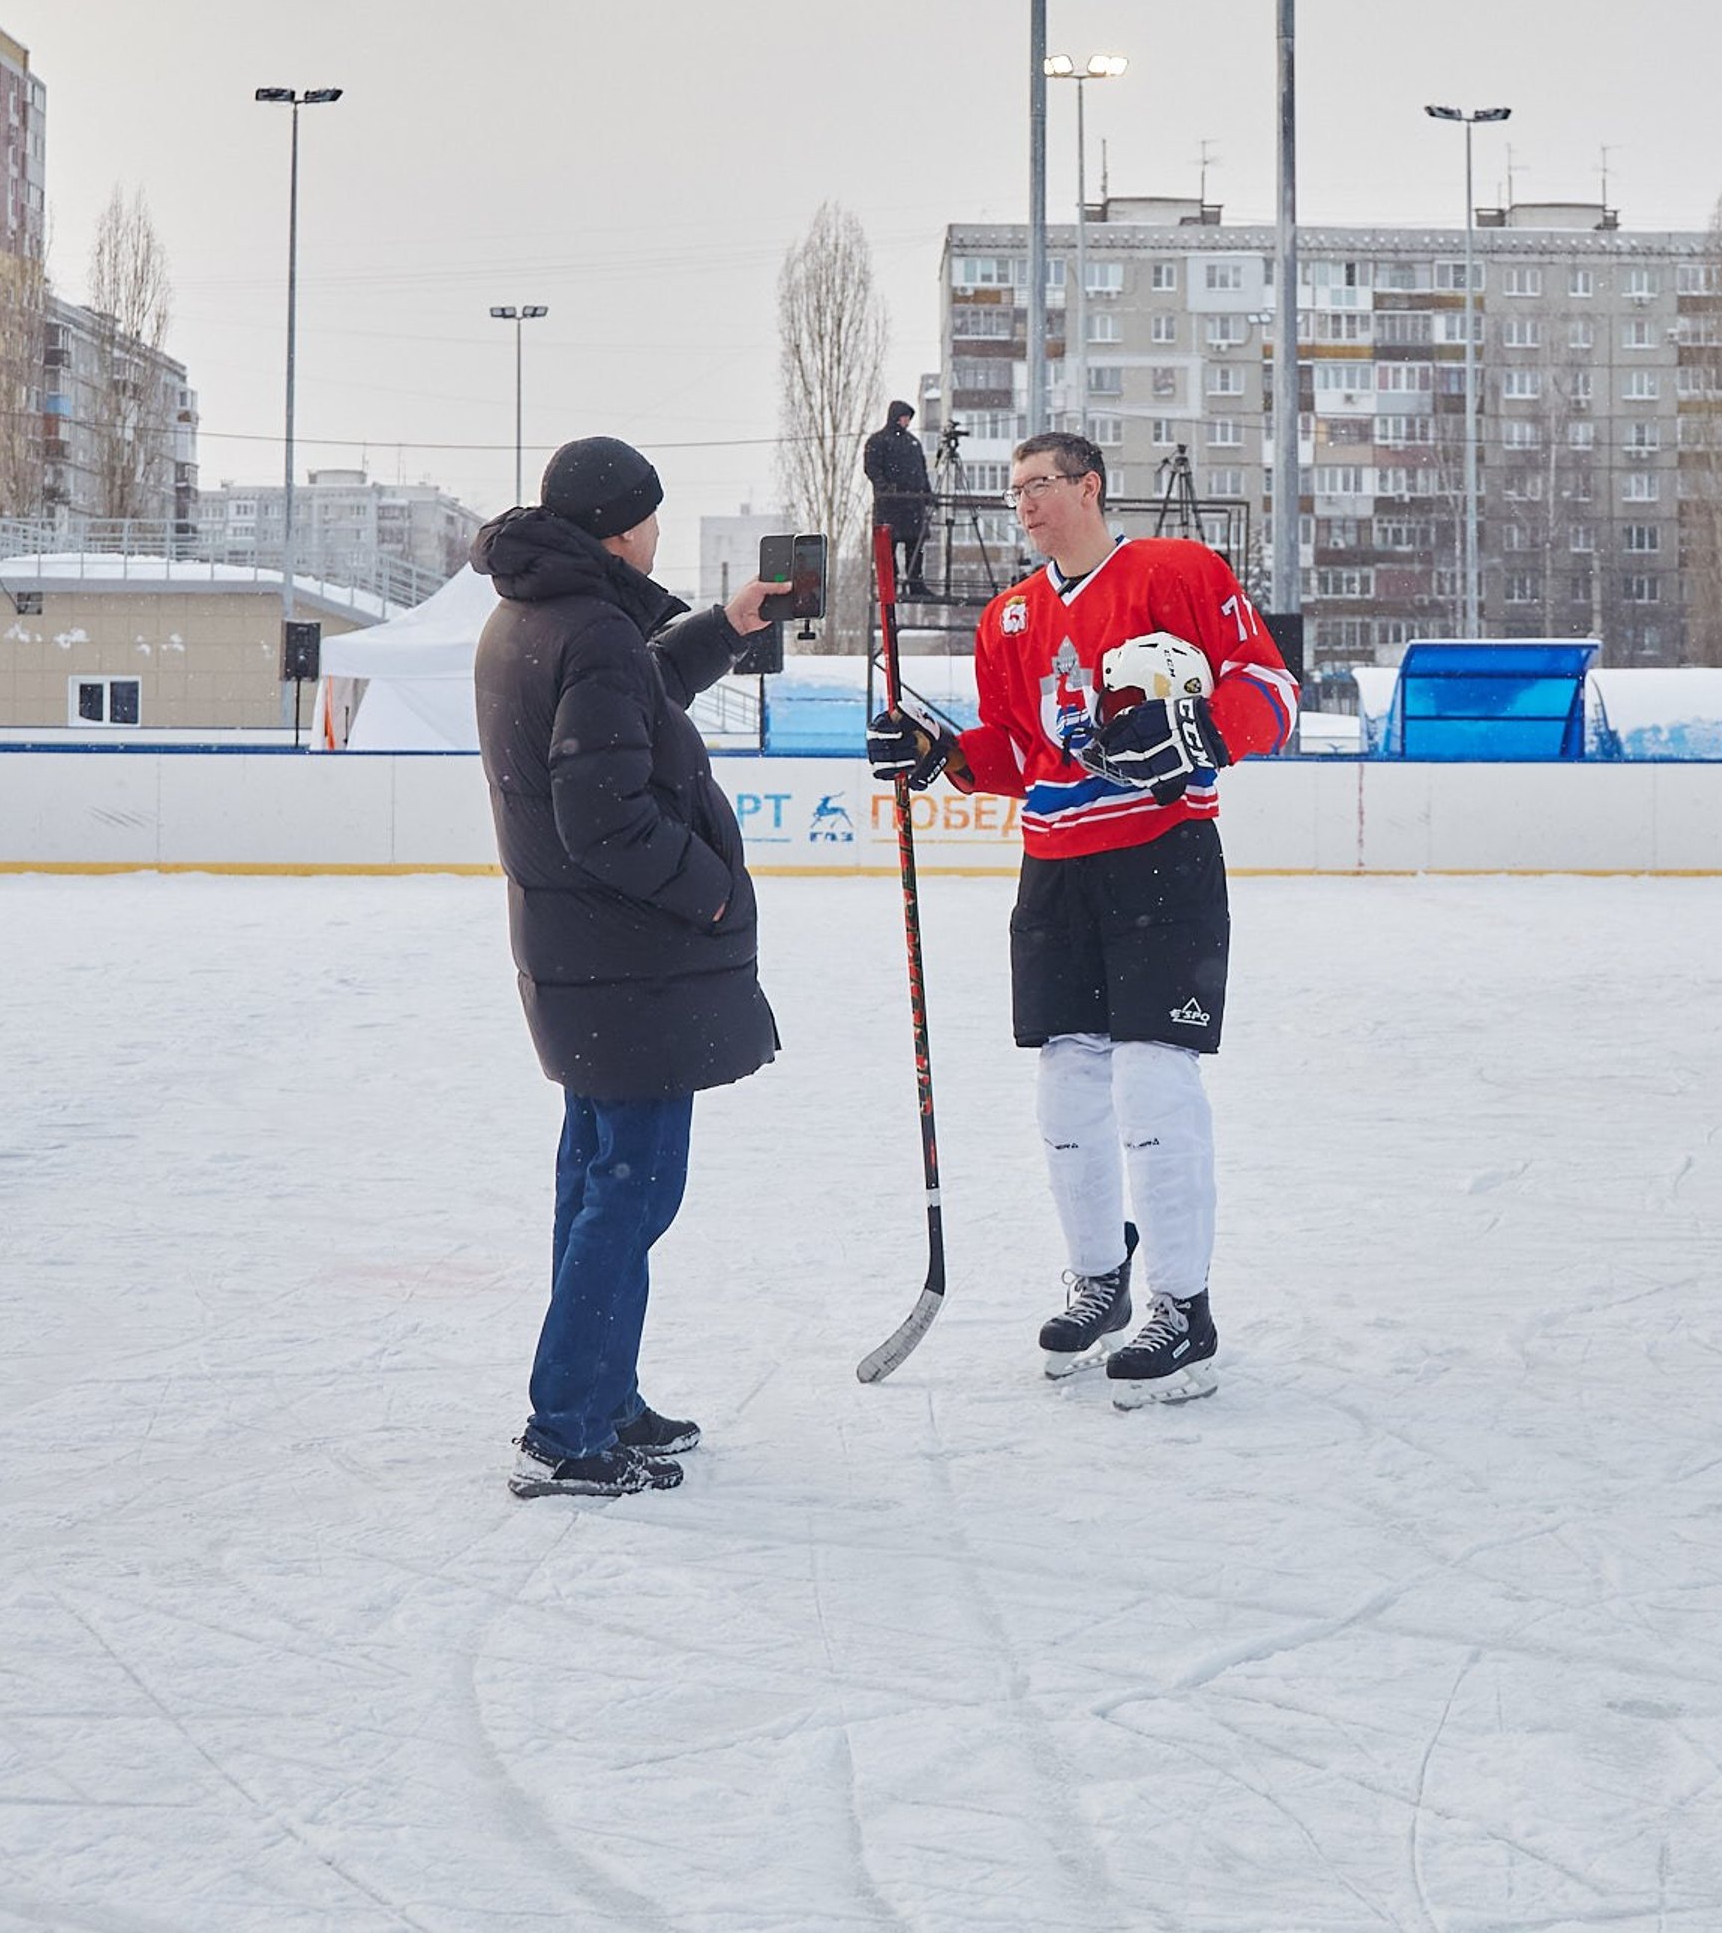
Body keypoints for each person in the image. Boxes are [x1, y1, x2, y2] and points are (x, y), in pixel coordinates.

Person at [866, 430, 1298, 1406]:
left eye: (1040, 484)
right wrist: (936, 750)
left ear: (1091, 485)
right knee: (1067, 1087)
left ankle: (1181, 1305)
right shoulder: (1008, 615)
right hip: (1055, 866)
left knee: (1152, 1080)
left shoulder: (1175, 571)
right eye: (1013, 488)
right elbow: (1020, 752)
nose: (1022, 502)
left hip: (1161, 852)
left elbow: (1268, 688)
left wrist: (1195, 733)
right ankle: (1099, 1277)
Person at [473, 435, 788, 1499]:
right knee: (630, 1193)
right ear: (622, 524)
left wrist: (726, 629)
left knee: (598, 1185)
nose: (658, 532)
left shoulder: (530, 614)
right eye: (652, 515)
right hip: (628, 960)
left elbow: (631, 700)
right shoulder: (593, 627)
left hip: (579, 962)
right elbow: (600, 811)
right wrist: (708, 886)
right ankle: (566, 1426)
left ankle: (601, 1394)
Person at [863, 400, 933, 592]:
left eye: (909, 418)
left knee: (915, 545)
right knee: (888, 547)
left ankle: (915, 583)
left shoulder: (912, 443)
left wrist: (927, 493)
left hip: (911, 506)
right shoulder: (878, 441)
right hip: (890, 505)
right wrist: (884, 488)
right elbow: (872, 468)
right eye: (904, 417)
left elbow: (921, 471)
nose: (907, 422)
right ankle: (889, 583)